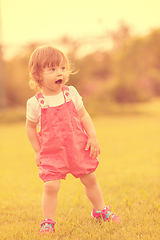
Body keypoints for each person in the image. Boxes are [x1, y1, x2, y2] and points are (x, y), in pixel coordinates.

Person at [26, 45, 121, 234]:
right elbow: (30, 128)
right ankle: (48, 222)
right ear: (38, 75)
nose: (59, 72)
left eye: (62, 68)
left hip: (78, 148)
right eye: (52, 69)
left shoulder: (71, 93)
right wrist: (37, 151)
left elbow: (84, 116)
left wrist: (93, 137)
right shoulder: (36, 102)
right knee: (51, 186)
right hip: (52, 153)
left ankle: (100, 211)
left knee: (90, 179)